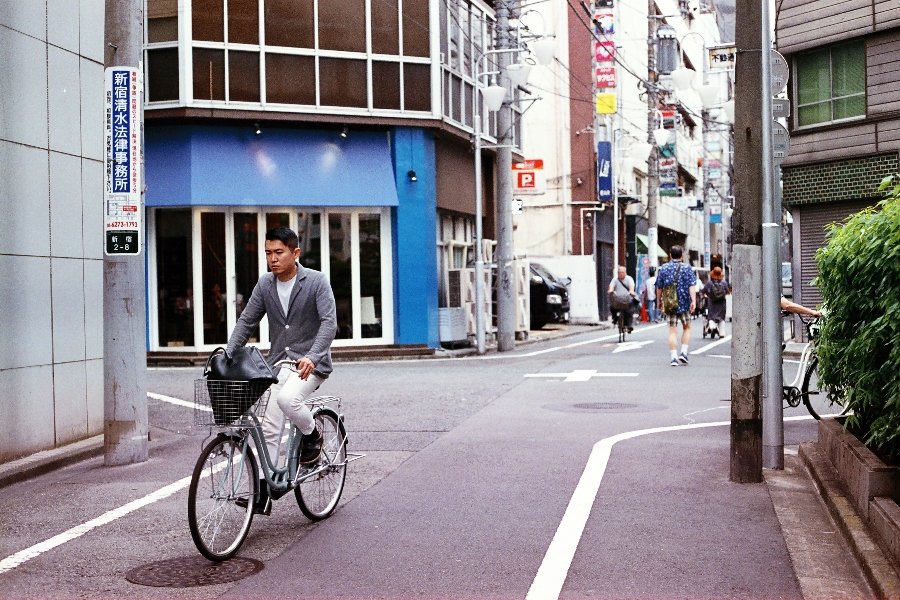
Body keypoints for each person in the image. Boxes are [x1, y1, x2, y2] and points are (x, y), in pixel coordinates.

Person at [226, 226, 338, 515]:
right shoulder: (265, 285)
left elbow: (329, 324)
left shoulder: (316, 282)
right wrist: (228, 353)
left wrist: (313, 356)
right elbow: (247, 321)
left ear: (295, 253)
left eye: (278, 252)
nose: (272, 259)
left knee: (289, 400)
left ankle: (312, 434)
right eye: (268, 253)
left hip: (311, 365)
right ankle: (265, 490)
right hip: (278, 365)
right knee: (268, 426)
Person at [655, 245, 697, 366]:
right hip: (684, 302)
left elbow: (659, 287)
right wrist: (693, 301)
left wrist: (659, 301)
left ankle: (673, 357)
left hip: (670, 303)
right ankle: (683, 353)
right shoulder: (687, 268)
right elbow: (691, 286)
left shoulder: (663, 268)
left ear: (670, 254)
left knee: (672, 331)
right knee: (687, 327)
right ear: (682, 256)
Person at [702, 266, 729, 336]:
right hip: (722, 303)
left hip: (712, 303)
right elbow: (727, 292)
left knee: (711, 316)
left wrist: (705, 295)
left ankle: (712, 326)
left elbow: (703, 291)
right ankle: (722, 333)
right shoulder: (724, 283)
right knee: (722, 318)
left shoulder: (709, 283)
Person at [608, 266, 636, 333]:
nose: (621, 274)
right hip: (618, 300)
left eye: (622, 272)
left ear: (625, 273)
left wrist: (631, 291)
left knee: (630, 311)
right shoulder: (615, 279)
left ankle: (629, 325)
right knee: (612, 307)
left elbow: (631, 287)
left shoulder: (629, 279)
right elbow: (611, 287)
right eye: (619, 272)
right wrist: (611, 291)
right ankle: (614, 319)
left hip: (627, 300)